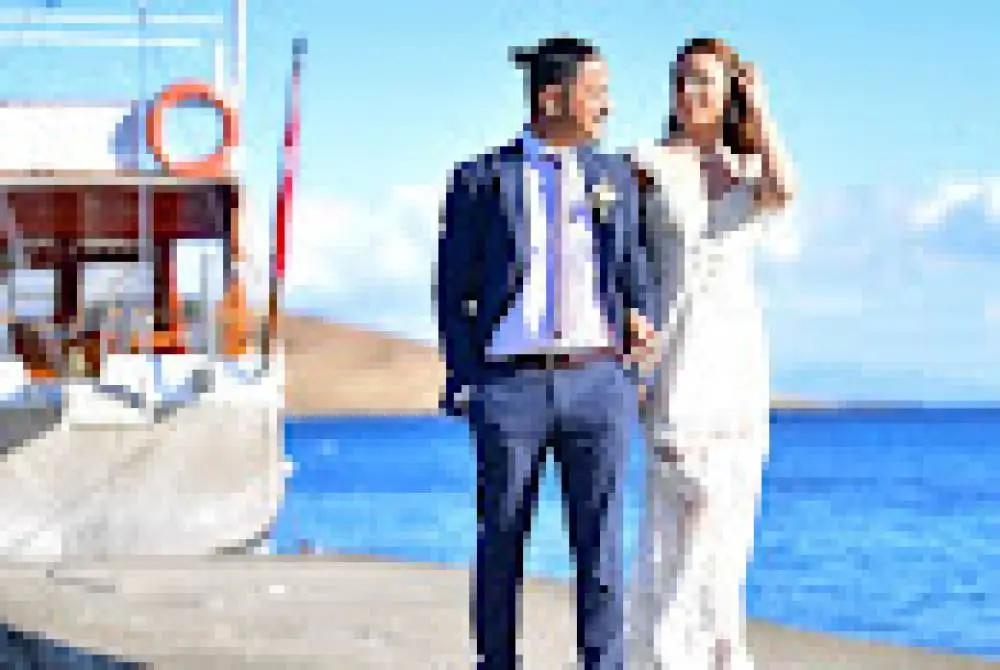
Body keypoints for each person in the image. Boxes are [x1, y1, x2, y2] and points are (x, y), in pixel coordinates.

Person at [436, 36, 656, 670]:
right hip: (510, 389)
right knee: (501, 543)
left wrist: (638, 319)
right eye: (597, 92)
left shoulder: (615, 177)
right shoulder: (481, 179)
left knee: (601, 551)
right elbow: (452, 291)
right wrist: (469, 382)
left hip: (599, 383)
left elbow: (633, 270)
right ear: (552, 97)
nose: (608, 106)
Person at [624, 37, 795, 669]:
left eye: (703, 80)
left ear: (729, 92)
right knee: (675, 532)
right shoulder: (645, 163)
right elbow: (620, 257)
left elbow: (786, 190)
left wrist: (761, 107)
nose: (688, 92)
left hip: (738, 365)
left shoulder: (750, 170)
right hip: (675, 360)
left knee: (726, 537)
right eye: (680, 80)